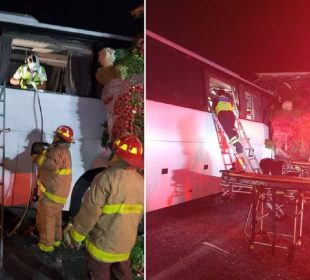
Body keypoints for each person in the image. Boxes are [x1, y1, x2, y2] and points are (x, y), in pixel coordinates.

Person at [64, 134, 144, 280]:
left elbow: (90, 212)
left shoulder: (105, 178)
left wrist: (76, 236)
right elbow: (137, 216)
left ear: (116, 155)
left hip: (101, 247)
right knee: (121, 275)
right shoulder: (141, 182)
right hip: (124, 247)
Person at [31, 125, 74, 252]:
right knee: (56, 218)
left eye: (56, 135)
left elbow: (48, 164)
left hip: (51, 194)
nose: (54, 137)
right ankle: (56, 240)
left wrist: (36, 157)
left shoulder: (57, 151)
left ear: (58, 137)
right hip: (59, 193)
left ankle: (46, 245)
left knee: (47, 219)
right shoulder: (64, 151)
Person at [211, 89, 245, 170]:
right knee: (231, 129)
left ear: (218, 94)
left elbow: (213, 109)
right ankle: (236, 139)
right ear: (224, 94)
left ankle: (237, 145)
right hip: (231, 115)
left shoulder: (216, 99)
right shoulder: (229, 100)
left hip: (223, 115)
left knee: (228, 131)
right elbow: (232, 107)